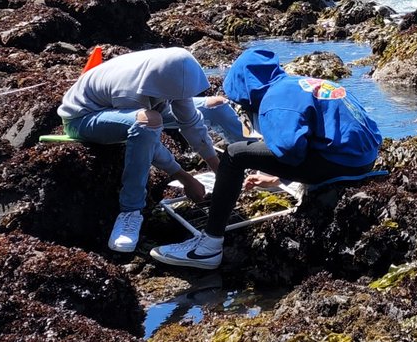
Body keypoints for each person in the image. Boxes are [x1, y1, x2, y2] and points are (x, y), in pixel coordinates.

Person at [150, 46, 382, 270]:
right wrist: (277, 179)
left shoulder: (274, 100)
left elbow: (290, 150)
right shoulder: (303, 83)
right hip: (365, 158)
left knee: (235, 154)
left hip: (341, 164)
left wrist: (276, 163)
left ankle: (209, 246)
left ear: (246, 90)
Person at [58, 46, 230, 253]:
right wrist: (186, 178)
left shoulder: (170, 72)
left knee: (214, 104)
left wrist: (219, 171)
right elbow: (149, 142)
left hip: (134, 107)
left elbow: (190, 121)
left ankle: (244, 157)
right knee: (149, 120)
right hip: (84, 117)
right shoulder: (130, 91)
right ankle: (130, 212)